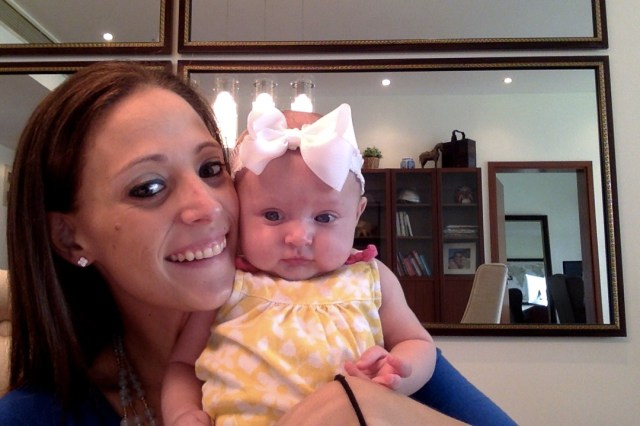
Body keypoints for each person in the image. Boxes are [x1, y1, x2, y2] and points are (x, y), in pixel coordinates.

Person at [0, 61, 515, 426]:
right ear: (70, 237)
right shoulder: (36, 415)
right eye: (149, 187)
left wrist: (375, 408)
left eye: (211, 168)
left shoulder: (366, 326)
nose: (207, 205)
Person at [163, 104, 436, 425]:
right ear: (238, 210)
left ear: (357, 214)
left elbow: (418, 343)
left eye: (324, 217)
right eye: (273, 215)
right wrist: (182, 413)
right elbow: (183, 365)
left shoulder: (371, 278)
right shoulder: (228, 283)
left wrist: (398, 372)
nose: (298, 237)